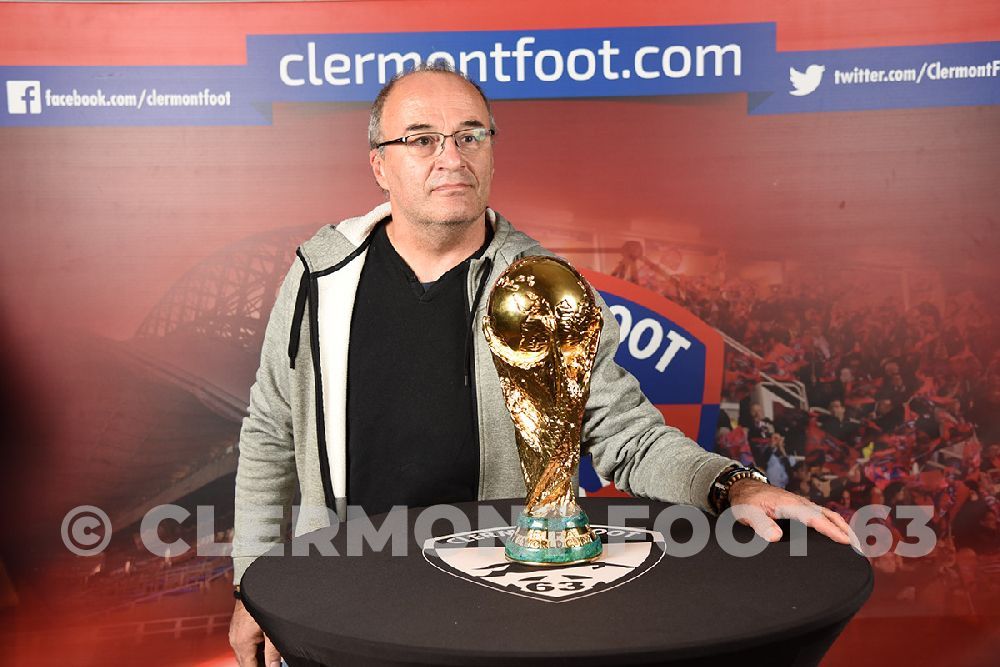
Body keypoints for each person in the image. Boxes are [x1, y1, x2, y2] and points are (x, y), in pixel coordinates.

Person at [228, 63, 856, 667]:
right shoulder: (319, 276)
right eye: (421, 139)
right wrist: (250, 585)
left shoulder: (545, 285)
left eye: (470, 134)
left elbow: (625, 438)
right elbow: (268, 437)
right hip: (340, 599)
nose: (451, 156)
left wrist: (731, 487)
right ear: (379, 165)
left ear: (492, 152)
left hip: (495, 606)